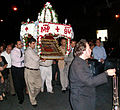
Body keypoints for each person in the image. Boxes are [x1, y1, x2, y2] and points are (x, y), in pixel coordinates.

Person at [69, 39, 116, 110]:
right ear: (83, 51)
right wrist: (106, 73)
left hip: (85, 96)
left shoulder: (81, 61)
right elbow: (90, 81)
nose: (91, 50)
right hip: (81, 100)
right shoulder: (78, 64)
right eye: (89, 49)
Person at [24, 37, 42, 107]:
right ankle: (33, 101)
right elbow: (37, 58)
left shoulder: (33, 50)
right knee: (31, 87)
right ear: (29, 44)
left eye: (35, 43)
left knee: (39, 86)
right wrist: (42, 58)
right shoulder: (28, 50)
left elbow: (38, 59)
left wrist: (42, 59)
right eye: (33, 44)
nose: (34, 45)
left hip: (36, 70)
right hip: (29, 71)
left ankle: (32, 96)